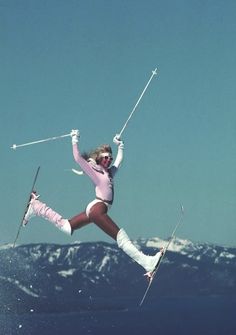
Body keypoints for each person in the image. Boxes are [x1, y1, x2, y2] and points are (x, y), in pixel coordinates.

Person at [23, 129, 163, 277]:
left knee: (67, 227)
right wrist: (74, 140)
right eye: (105, 158)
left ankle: (36, 207)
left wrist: (120, 145)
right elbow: (77, 158)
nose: (108, 160)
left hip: (96, 208)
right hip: (98, 209)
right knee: (121, 238)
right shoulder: (95, 172)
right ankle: (147, 262)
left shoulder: (108, 173)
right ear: (99, 159)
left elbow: (119, 161)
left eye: (110, 158)